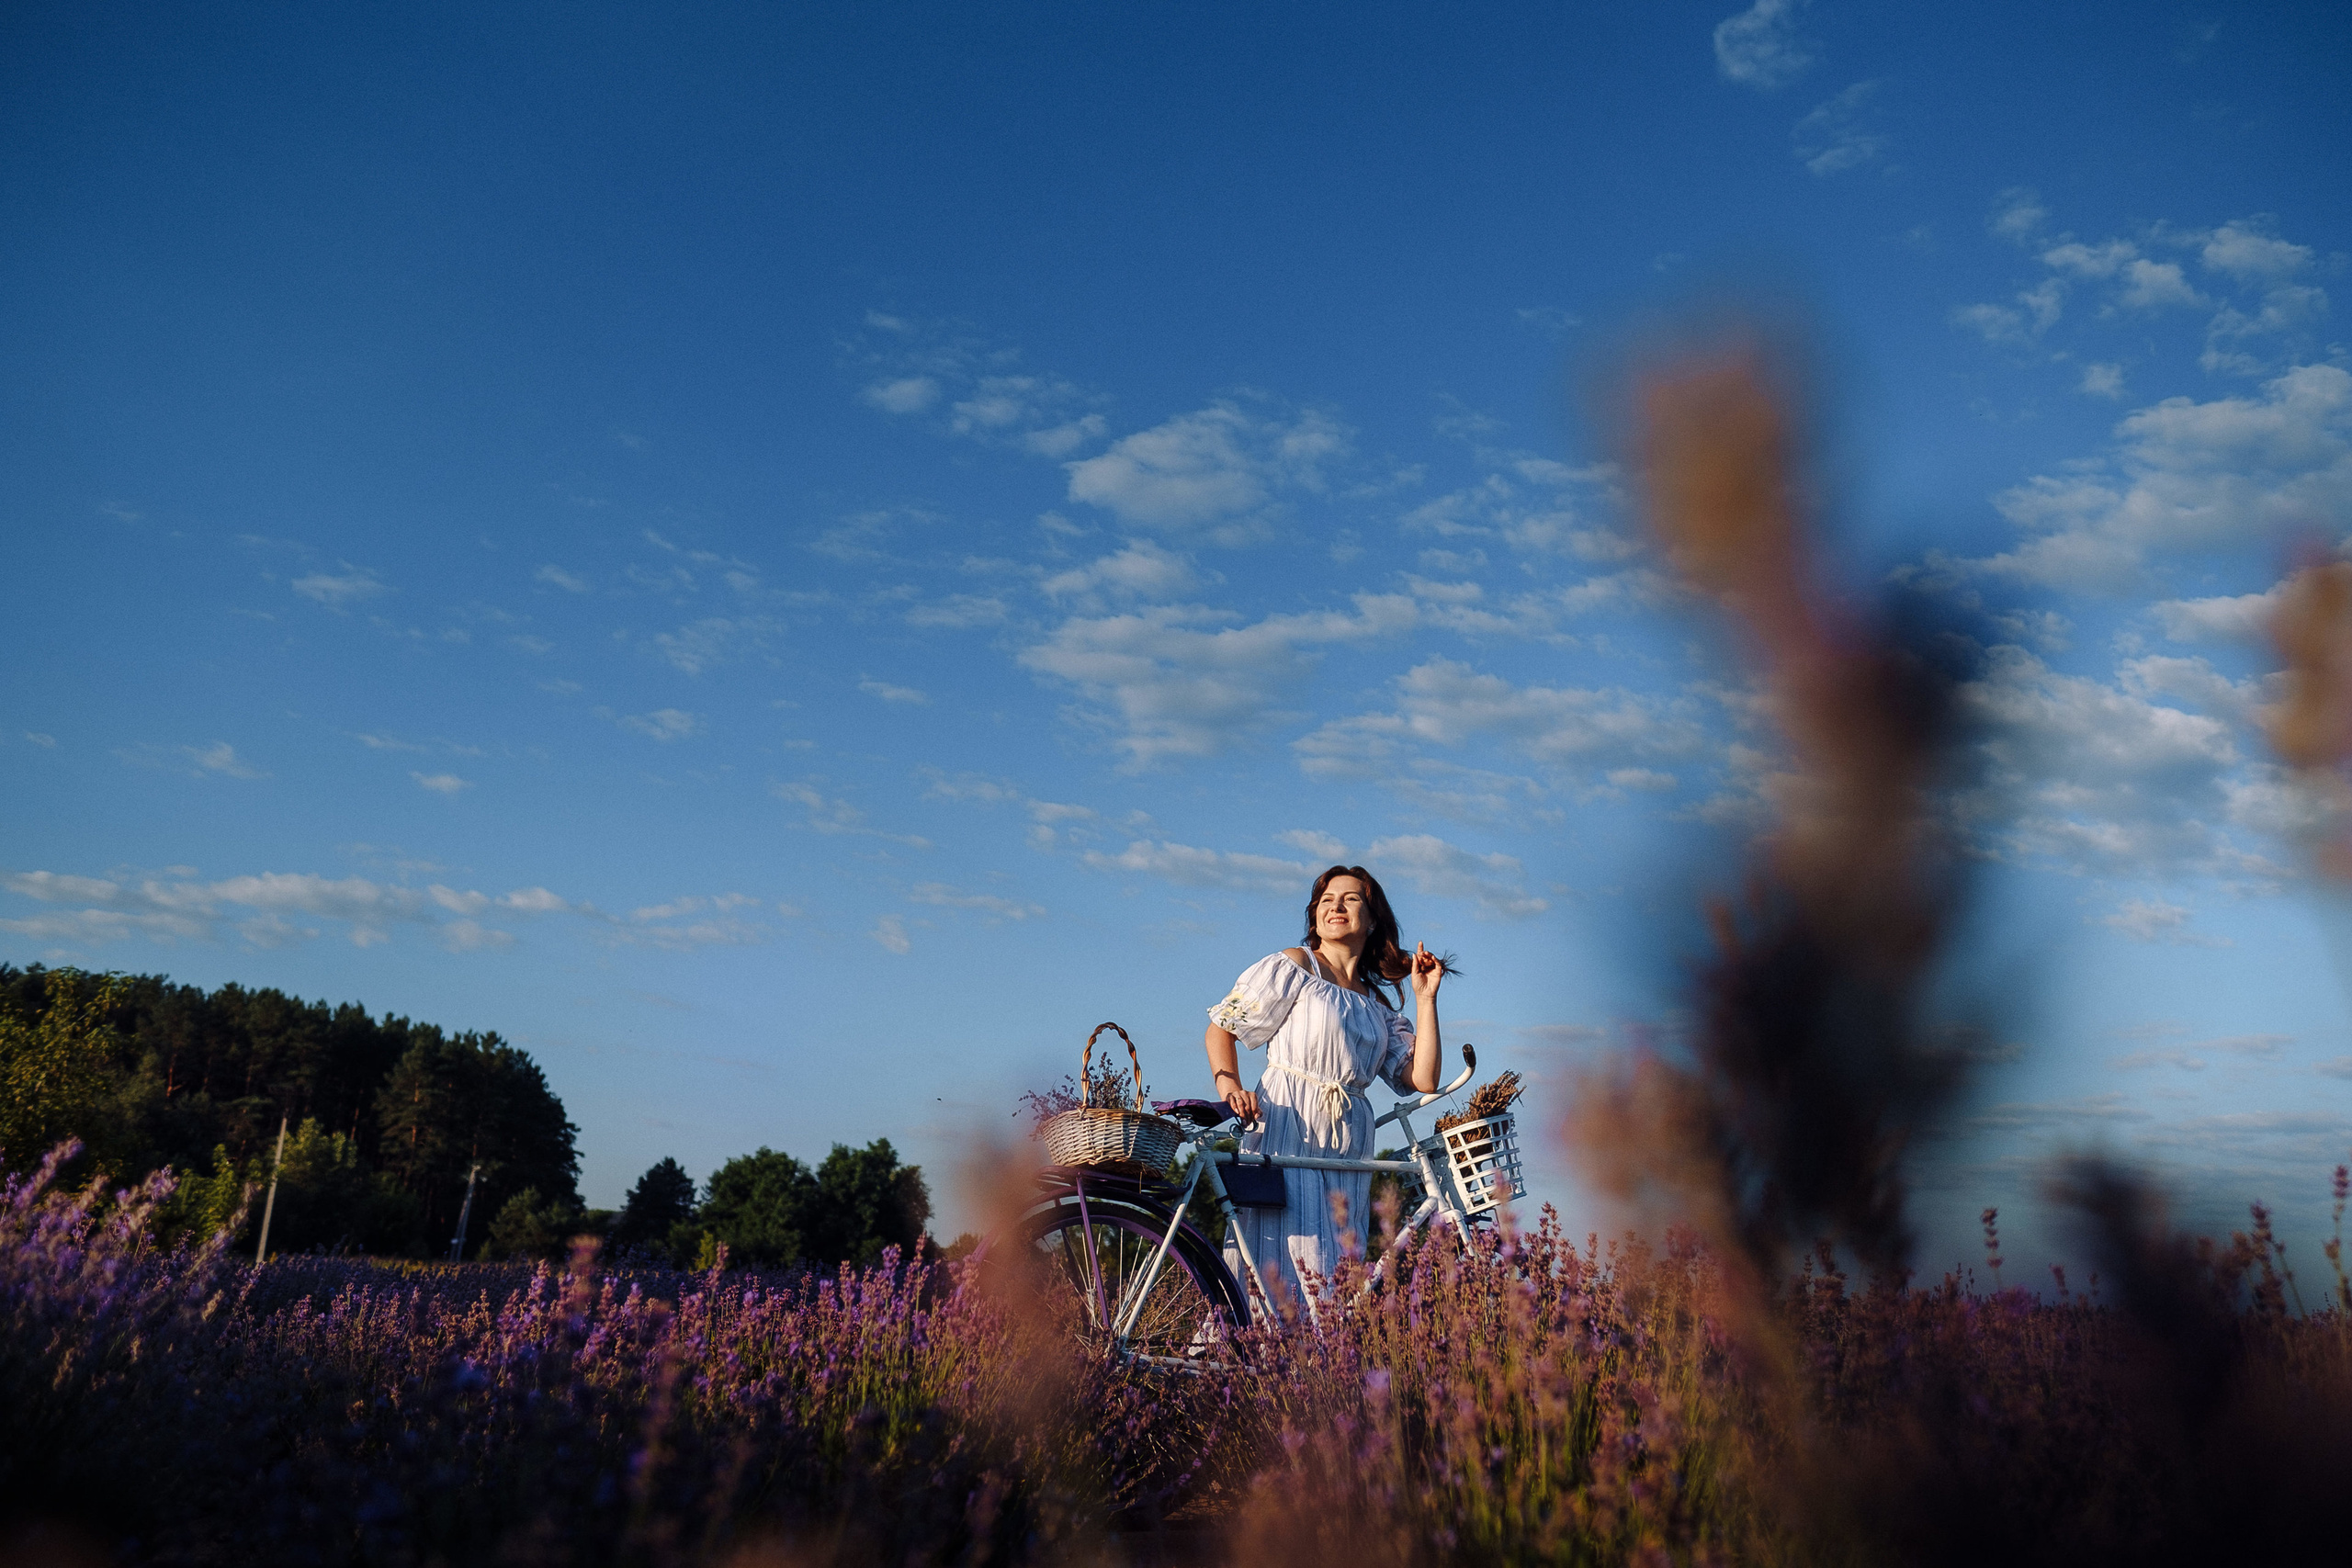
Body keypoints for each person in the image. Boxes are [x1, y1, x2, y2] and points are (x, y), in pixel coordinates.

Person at [1204, 863, 1447, 1320]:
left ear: (1372, 919)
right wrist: (1231, 1086)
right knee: (1289, 1253)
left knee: (1337, 1268)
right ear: (1315, 914)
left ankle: (1313, 1376)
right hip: (1288, 1122)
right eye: (1326, 899)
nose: (1335, 905)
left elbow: (1423, 1079)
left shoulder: (1376, 1007)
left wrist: (1426, 998)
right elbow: (1221, 1029)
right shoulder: (1295, 966)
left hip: (1347, 1143)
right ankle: (1260, 1364)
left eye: (1351, 898)